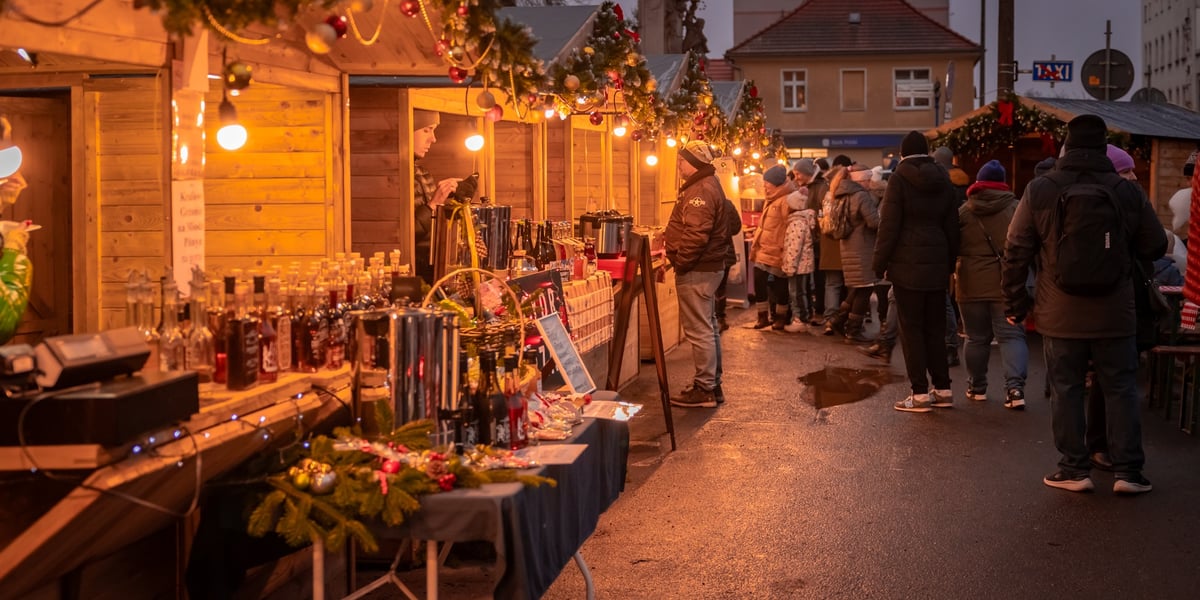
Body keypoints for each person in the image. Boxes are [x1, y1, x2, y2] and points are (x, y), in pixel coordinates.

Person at [1002, 114, 1166, 494]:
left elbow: (1016, 249)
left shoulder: (1041, 188)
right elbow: (1155, 244)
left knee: (1066, 388)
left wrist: (1016, 301)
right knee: (1121, 388)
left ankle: (1074, 470)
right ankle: (1128, 472)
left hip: (1060, 312)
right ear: (1103, 147)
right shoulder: (1125, 190)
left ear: (1068, 145)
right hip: (1116, 312)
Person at [874, 131, 960, 413]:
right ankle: (944, 389)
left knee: (911, 331)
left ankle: (920, 393)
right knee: (935, 328)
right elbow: (952, 224)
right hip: (936, 261)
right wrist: (949, 261)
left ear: (902, 153)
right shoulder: (943, 178)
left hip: (905, 264)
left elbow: (889, 225)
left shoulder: (899, 179)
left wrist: (880, 262)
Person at [956, 159, 1028, 409]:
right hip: (1006, 282)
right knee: (1011, 336)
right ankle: (1015, 390)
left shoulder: (965, 211)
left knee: (975, 338)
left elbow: (953, 244)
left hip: (970, 282)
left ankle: (977, 388)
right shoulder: (1017, 208)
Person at [665, 140, 732, 408]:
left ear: (692, 163)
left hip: (698, 268)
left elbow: (696, 234)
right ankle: (711, 385)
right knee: (708, 326)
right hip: (707, 267)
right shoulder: (706, 185)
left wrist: (681, 262)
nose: (679, 165)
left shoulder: (700, 190)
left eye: (681, 160)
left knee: (699, 330)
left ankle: (704, 388)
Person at [825, 164, 881, 343]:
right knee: (865, 288)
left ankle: (838, 320)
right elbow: (873, 222)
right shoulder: (860, 196)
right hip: (862, 247)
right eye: (867, 179)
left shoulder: (841, 194)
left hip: (848, 246)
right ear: (861, 180)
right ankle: (853, 330)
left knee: (857, 287)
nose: (870, 182)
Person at [412, 110, 462, 284]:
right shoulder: (394, 178)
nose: (433, 139)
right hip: (413, 275)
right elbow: (404, 235)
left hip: (431, 273)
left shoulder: (423, 173)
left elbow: (433, 227)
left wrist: (456, 199)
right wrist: (434, 204)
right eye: (427, 130)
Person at [748, 165, 796, 330]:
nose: (764, 186)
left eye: (766, 183)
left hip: (777, 250)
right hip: (763, 248)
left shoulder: (787, 200)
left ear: (775, 184)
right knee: (759, 280)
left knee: (779, 285)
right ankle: (762, 316)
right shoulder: (771, 198)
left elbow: (790, 226)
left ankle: (780, 317)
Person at [793, 158, 829, 324]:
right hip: (807, 238)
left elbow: (823, 211)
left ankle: (820, 310)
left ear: (807, 172)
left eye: (798, 173)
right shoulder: (804, 187)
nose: (796, 177)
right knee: (808, 275)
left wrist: (816, 222)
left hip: (819, 239)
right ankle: (811, 310)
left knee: (820, 276)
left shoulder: (821, 187)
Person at [781, 183, 816, 332]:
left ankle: (799, 319)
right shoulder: (802, 221)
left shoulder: (797, 223)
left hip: (798, 266)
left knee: (796, 293)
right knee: (800, 291)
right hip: (802, 265)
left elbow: (794, 248)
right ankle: (802, 317)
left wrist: (790, 267)